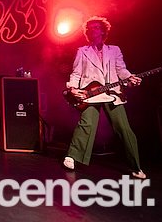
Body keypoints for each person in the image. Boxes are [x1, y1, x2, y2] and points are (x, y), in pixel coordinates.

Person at [62, 16, 146, 179]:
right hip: (90, 93)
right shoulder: (82, 51)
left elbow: (121, 69)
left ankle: (136, 166)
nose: (91, 31)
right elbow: (76, 72)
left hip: (111, 93)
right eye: (89, 29)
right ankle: (72, 157)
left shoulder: (114, 50)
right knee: (86, 124)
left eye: (95, 27)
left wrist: (130, 77)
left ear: (102, 31)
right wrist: (72, 88)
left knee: (124, 129)